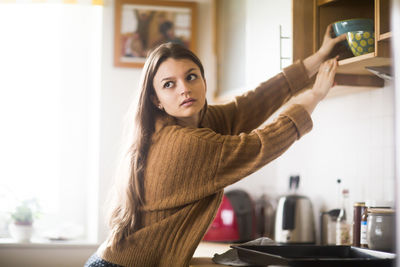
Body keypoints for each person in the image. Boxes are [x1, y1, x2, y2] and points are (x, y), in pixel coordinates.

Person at [85, 25, 346, 267]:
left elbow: (251, 104)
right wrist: (315, 94)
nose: (184, 89)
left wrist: (320, 56)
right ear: (156, 100)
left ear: (204, 81)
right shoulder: (185, 144)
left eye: (191, 77)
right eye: (169, 84)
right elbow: (260, 145)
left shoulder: (194, 122)